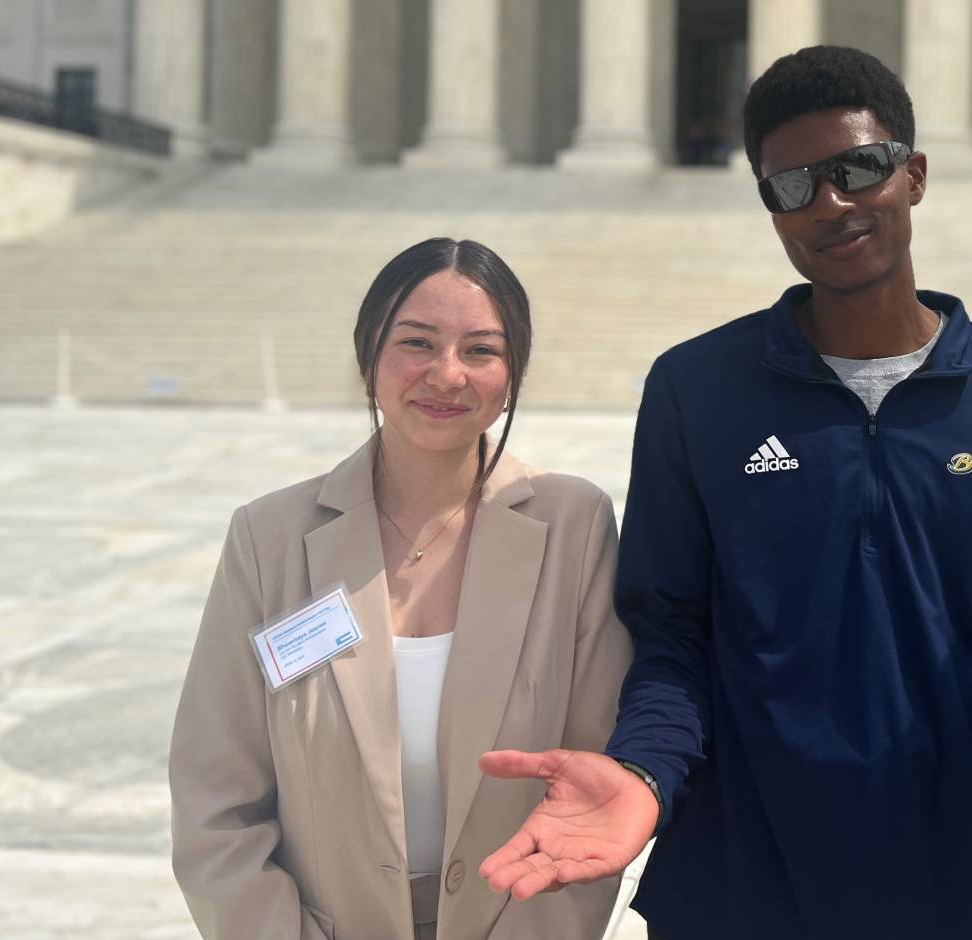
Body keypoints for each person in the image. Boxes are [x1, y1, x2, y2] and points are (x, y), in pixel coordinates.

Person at [476, 46, 972, 940]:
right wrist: (641, 775)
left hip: (962, 903)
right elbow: (671, 641)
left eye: (857, 169)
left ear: (912, 175)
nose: (829, 204)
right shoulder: (697, 390)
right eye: (792, 186)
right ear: (769, 208)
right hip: (732, 900)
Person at [169, 238, 631, 939]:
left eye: (481, 350)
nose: (447, 375)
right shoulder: (269, 538)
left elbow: (593, 779)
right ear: (368, 358)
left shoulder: (573, 525)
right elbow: (217, 799)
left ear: (513, 377)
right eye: (417, 342)